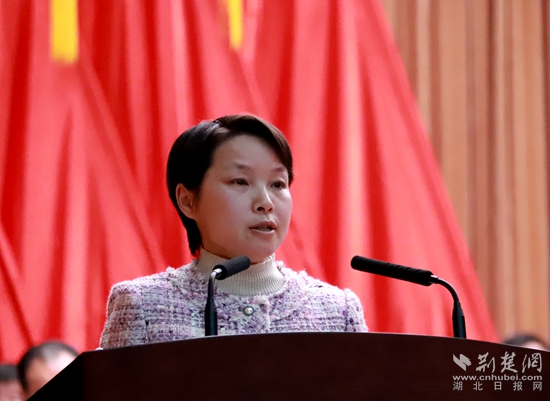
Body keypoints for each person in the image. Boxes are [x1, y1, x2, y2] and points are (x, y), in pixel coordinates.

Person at [100, 114, 367, 349]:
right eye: (240, 181)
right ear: (188, 201)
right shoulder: (143, 306)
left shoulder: (337, 312)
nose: (265, 202)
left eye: (277, 184)